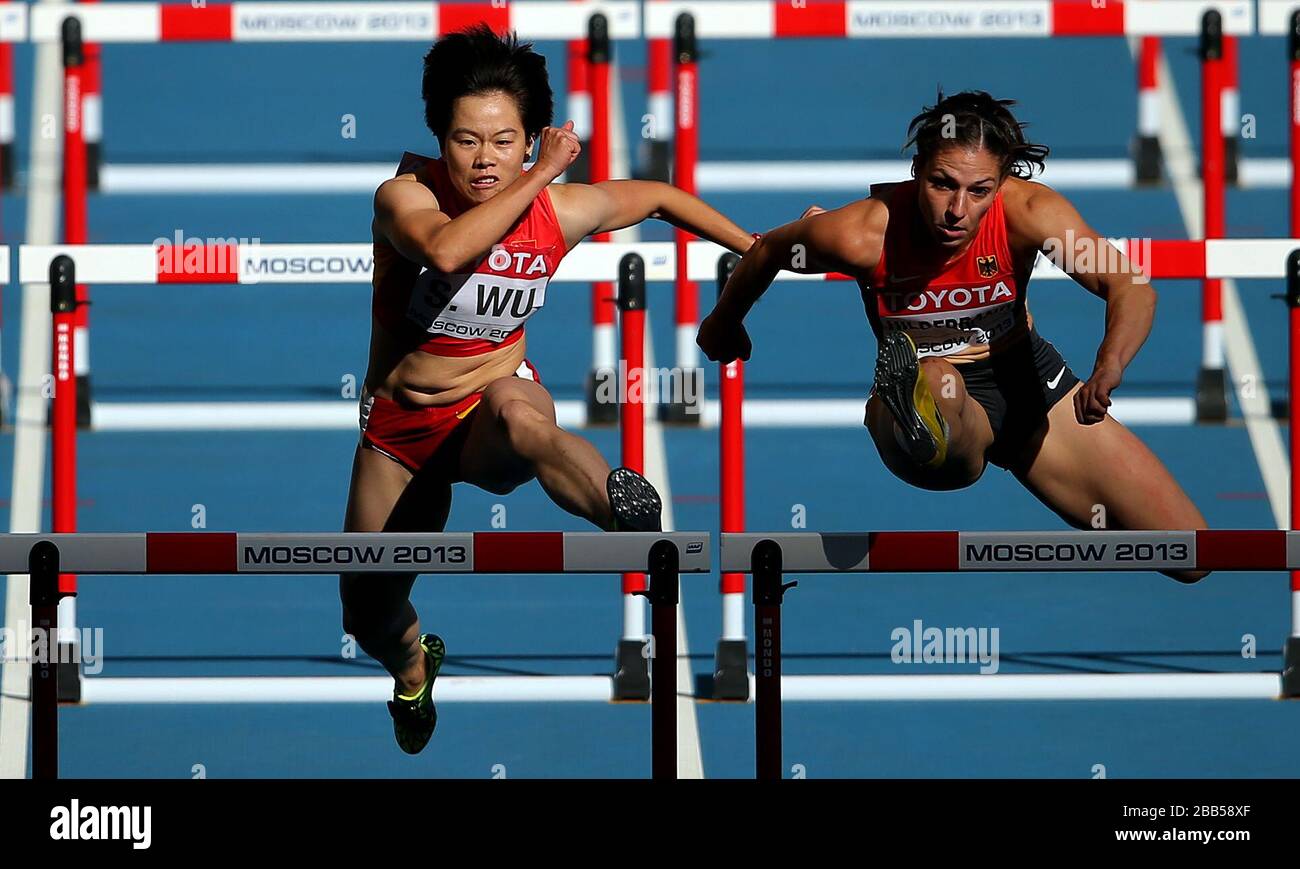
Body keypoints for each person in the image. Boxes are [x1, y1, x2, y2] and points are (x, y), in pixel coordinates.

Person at [344, 25, 756, 754]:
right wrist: (542, 175)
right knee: (367, 614)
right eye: (466, 139)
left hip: (491, 409)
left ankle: (628, 515)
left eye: (504, 141)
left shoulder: (558, 215)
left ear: (529, 136)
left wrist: (760, 248)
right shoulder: (402, 197)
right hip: (401, 430)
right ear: (439, 134)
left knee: (522, 414)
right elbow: (446, 248)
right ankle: (412, 662)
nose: (484, 159)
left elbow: (659, 197)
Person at [697, 90, 1208, 584]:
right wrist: (722, 324)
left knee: (1193, 554)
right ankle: (919, 423)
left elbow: (1128, 285)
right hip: (929, 390)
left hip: (1031, 386)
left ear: (1002, 184)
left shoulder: (1030, 214)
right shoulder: (859, 234)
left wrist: (1110, 363)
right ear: (917, 172)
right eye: (943, 184)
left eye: (979, 191)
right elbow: (767, 251)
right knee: (940, 386)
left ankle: (942, 429)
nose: (957, 210)